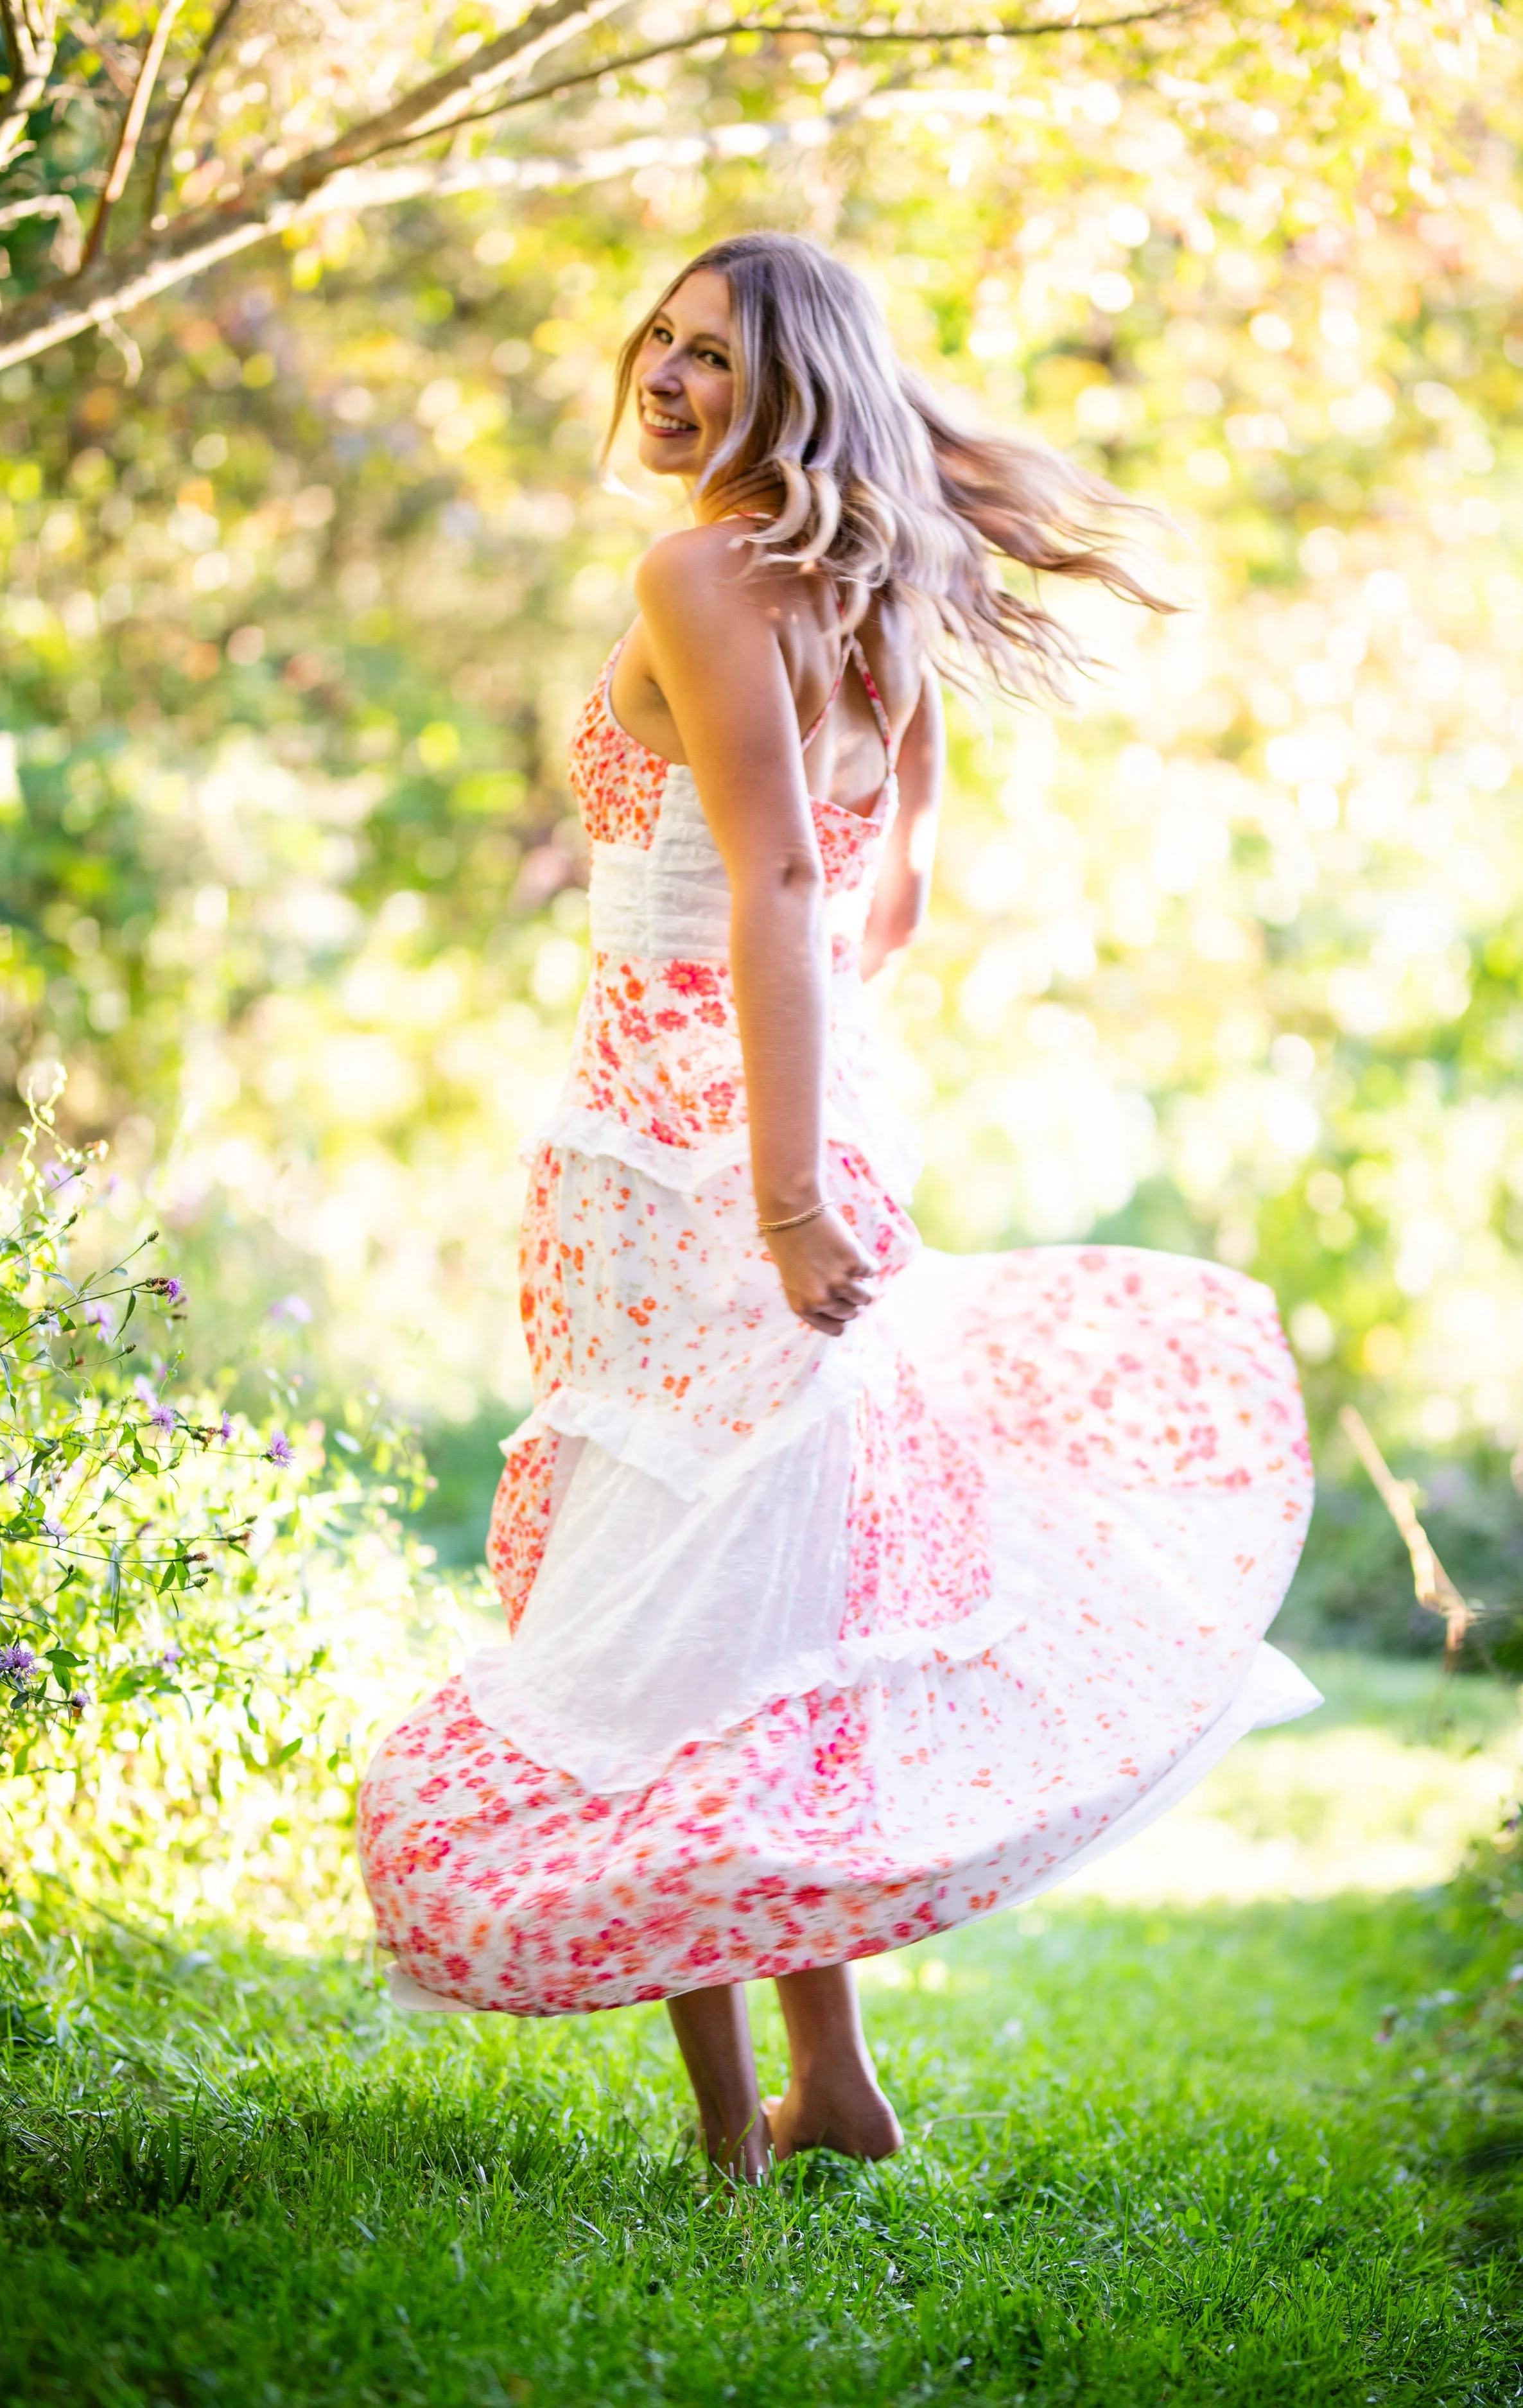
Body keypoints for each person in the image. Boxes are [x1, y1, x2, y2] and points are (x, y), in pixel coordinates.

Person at [358, 231, 1318, 2184]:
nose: (670, 374)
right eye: (664, 338)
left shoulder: (698, 574)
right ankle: (838, 2086)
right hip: (815, 1119)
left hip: (683, 1154)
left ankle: (733, 2126)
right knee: (777, 1591)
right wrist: (819, 1136)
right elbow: (898, 903)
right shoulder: (879, 593)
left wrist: (776, 1187)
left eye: (715, 356)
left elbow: (788, 889)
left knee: (657, 1604)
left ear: (792, 389)